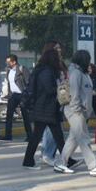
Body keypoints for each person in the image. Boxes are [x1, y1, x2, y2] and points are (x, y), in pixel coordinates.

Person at [58, 50, 96, 176]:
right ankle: (93, 166)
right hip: (75, 110)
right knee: (84, 138)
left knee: (73, 139)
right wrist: (77, 109)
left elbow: (84, 90)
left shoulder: (82, 72)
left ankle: (60, 163)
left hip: (80, 111)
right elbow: (75, 93)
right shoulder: (76, 73)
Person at [22, 42, 67, 170]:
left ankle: (68, 159)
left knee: (56, 136)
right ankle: (28, 161)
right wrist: (61, 87)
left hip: (45, 108)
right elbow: (49, 89)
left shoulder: (43, 70)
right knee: (42, 137)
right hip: (45, 108)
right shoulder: (46, 72)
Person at [0, 54, 30, 141]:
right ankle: (8, 135)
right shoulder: (8, 71)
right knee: (9, 115)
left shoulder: (22, 69)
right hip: (13, 95)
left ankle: (29, 135)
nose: (7, 63)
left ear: (14, 62)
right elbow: (10, 83)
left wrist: (27, 94)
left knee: (25, 116)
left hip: (22, 95)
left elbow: (29, 82)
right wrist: (9, 94)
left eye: (8, 62)